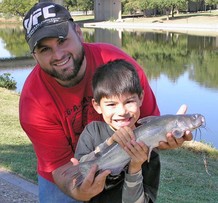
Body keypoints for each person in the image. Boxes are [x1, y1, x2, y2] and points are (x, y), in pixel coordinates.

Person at [19, 2, 192, 202]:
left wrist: (168, 138)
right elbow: (60, 167)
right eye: (44, 49)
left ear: (78, 33)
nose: (58, 55)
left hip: (126, 163)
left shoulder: (120, 65)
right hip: (68, 169)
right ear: (34, 56)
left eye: (62, 40)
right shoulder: (33, 102)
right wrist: (79, 191)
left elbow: (149, 129)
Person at [74, 59, 160, 203]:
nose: (121, 111)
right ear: (97, 106)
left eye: (129, 102)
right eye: (111, 104)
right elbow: (80, 174)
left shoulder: (149, 149)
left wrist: (135, 168)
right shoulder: (92, 131)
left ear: (141, 98)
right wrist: (109, 143)